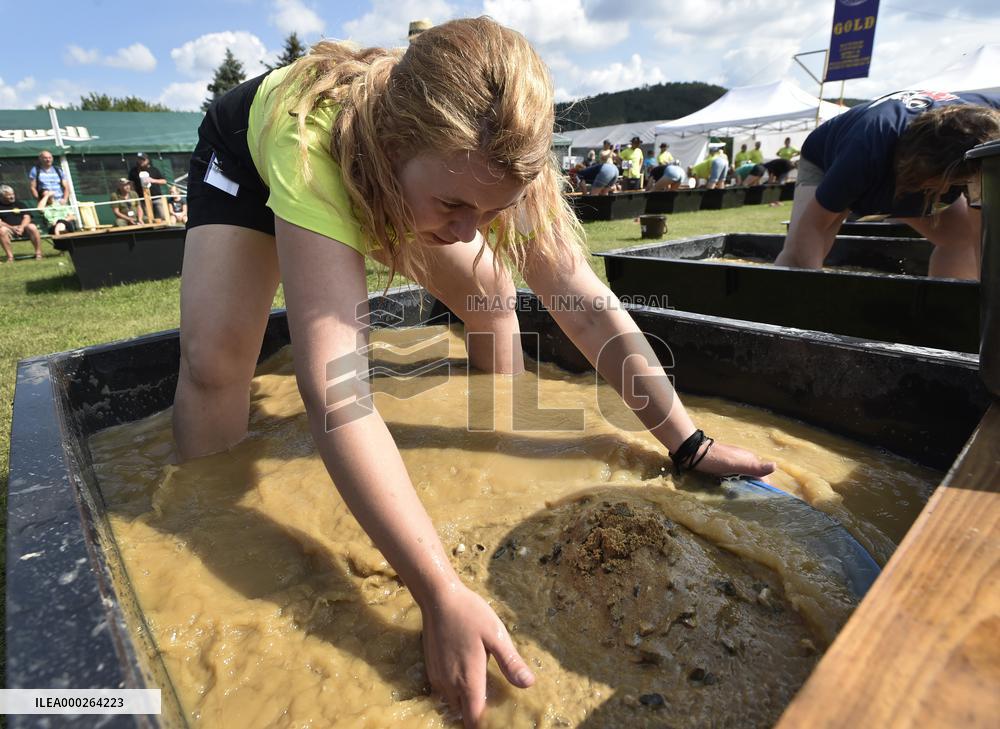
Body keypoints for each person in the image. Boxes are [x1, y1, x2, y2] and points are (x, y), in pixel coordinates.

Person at [176, 18, 773, 727]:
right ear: (394, 148)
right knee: (216, 363)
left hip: (413, 171)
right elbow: (337, 391)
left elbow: (587, 310)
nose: (470, 232)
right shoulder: (315, 148)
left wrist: (689, 443)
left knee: (491, 296)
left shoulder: (500, 160)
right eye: (456, 207)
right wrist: (439, 591)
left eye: (493, 212)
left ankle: (496, 443)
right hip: (253, 159)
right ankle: (196, 515)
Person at [776, 90, 1000, 280]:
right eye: (936, 184)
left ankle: (946, 309)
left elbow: (983, 230)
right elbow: (813, 228)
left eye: (949, 183)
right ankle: (778, 312)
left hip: (928, 161)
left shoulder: (986, 125)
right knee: (796, 255)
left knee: (960, 237)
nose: (942, 192)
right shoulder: (863, 151)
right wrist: (814, 293)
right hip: (827, 157)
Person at [0, 184, 44, 261]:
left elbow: (27, 217)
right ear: (2, 196)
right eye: (9, 195)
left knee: (32, 227)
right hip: (9, 230)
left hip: (23, 228)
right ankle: (10, 257)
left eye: (13, 194)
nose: (12, 196)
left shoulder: (20, 204)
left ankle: (38, 254)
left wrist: (21, 227)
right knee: (1, 230)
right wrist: (12, 228)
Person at [128, 153, 169, 221]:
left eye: (143, 160)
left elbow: (164, 181)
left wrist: (152, 180)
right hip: (142, 199)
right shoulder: (133, 171)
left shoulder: (154, 169)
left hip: (156, 197)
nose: (141, 161)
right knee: (148, 218)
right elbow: (131, 184)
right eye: (139, 159)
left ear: (147, 160)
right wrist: (134, 195)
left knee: (163, 216)